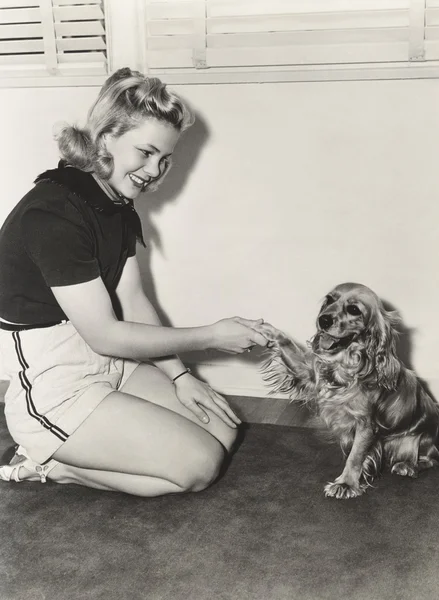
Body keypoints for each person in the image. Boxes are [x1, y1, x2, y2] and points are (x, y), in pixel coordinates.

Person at [0, 67, 270, 496]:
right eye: (144, 152)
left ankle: (67, 452)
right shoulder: (52, 213)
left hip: (108, 366)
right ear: (105, 137)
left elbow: (133, 303)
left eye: (164, 159)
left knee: (221, 431)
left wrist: (181, 377)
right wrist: (211, 336)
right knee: (199, 465)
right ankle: (46, 462)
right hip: (57, 386)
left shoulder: (116, 205)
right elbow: (107, 334)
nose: (154, 170)